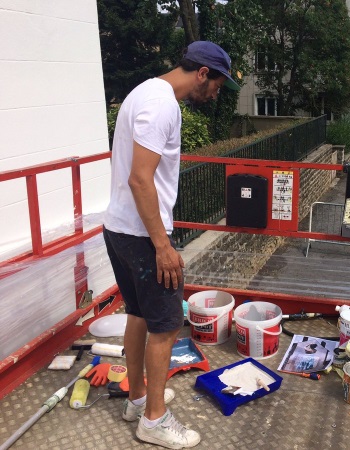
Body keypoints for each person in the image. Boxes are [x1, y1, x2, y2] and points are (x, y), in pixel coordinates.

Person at [103, 41, 240, 449]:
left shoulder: (143, 92)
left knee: (140, 316)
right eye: (217, 83)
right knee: (166, 326)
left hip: (120, 230)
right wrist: (163, 246)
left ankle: (138, 398)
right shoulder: (163, 106)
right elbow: (140, 179)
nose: (217, 92)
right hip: (144, 238)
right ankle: (155, 420)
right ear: (202, 73)